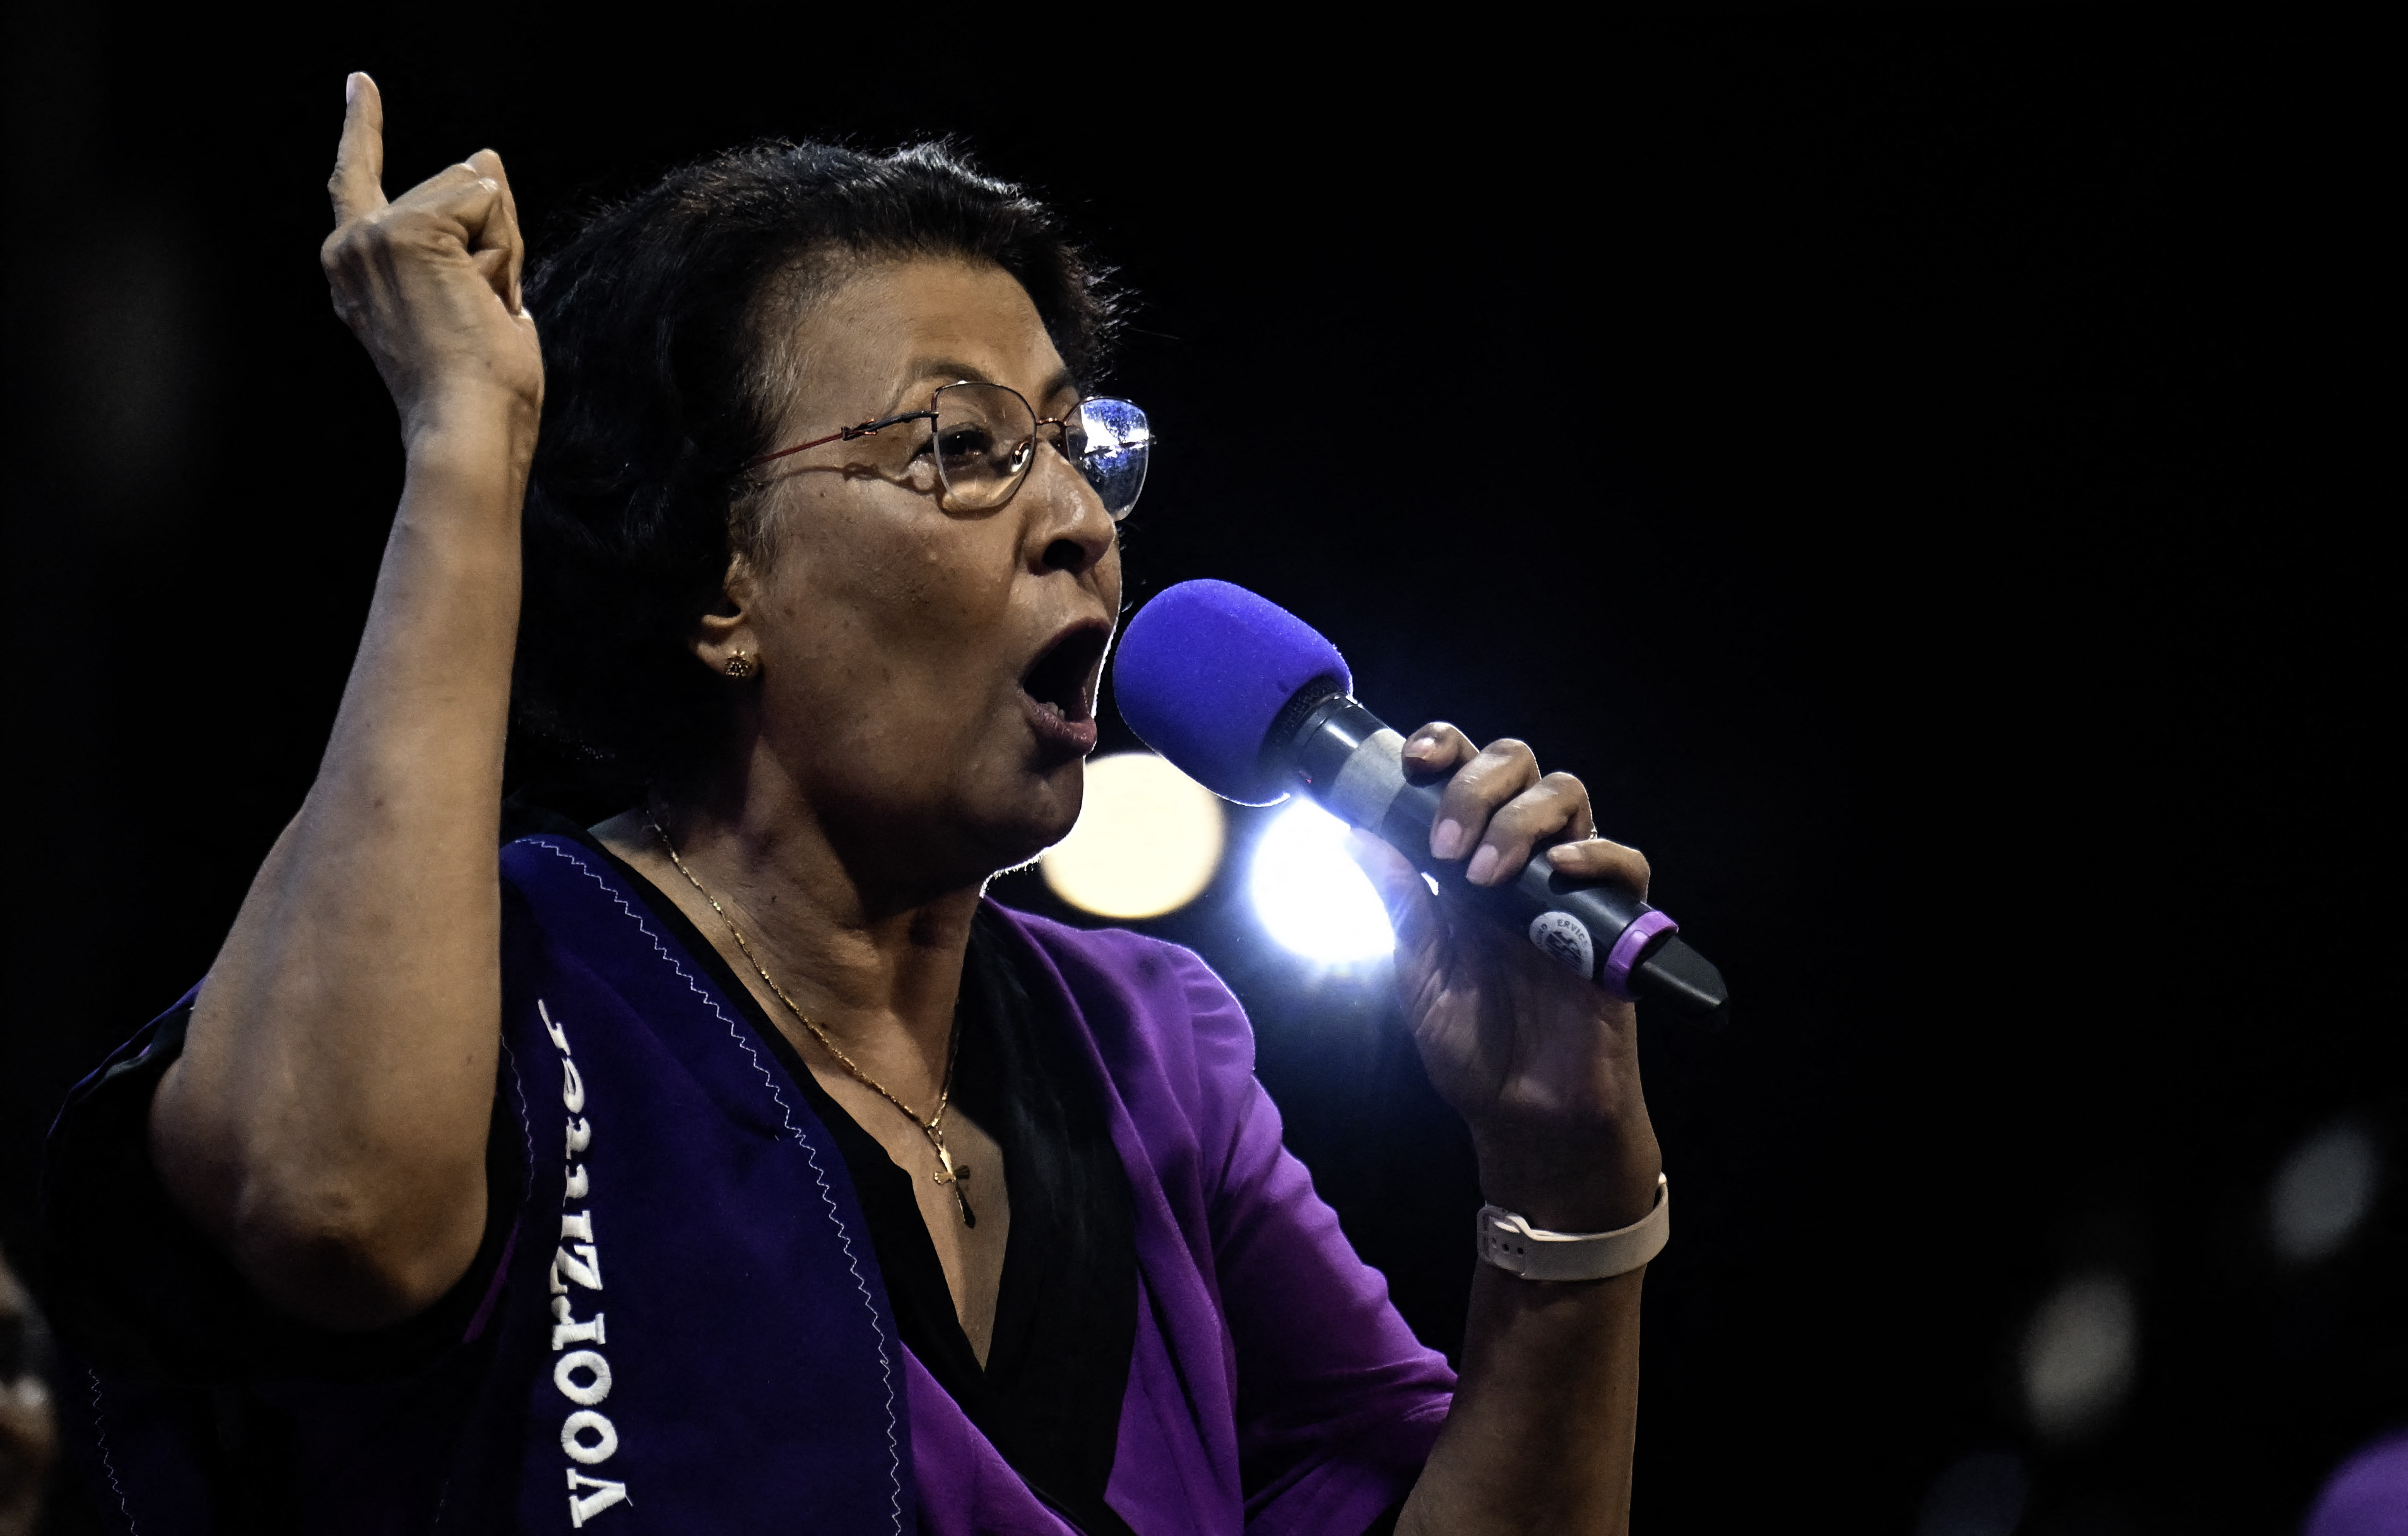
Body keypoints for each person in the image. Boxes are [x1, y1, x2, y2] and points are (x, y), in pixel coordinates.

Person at [39, 74, 1666, 1535]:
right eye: (963, 446)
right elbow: (331, 1211)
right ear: (719, 583)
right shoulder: (514, 986)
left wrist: (1568, 1184)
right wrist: (468, 447)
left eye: (1079, 447)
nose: (1079, 521)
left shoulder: (1153, 1049)